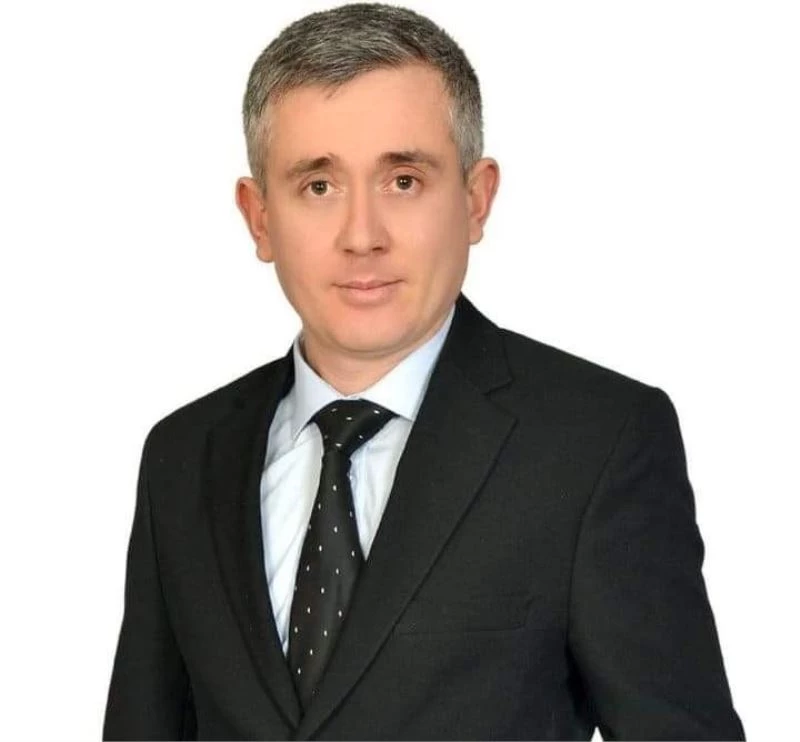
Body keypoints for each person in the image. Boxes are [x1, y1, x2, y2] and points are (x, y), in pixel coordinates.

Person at [103, 3, 744, 739]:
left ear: (476, 199)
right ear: (259, 216)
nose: (362, 236)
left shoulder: (596, 443)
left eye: (403, 180)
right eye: (319, 186)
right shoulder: (183, 456)